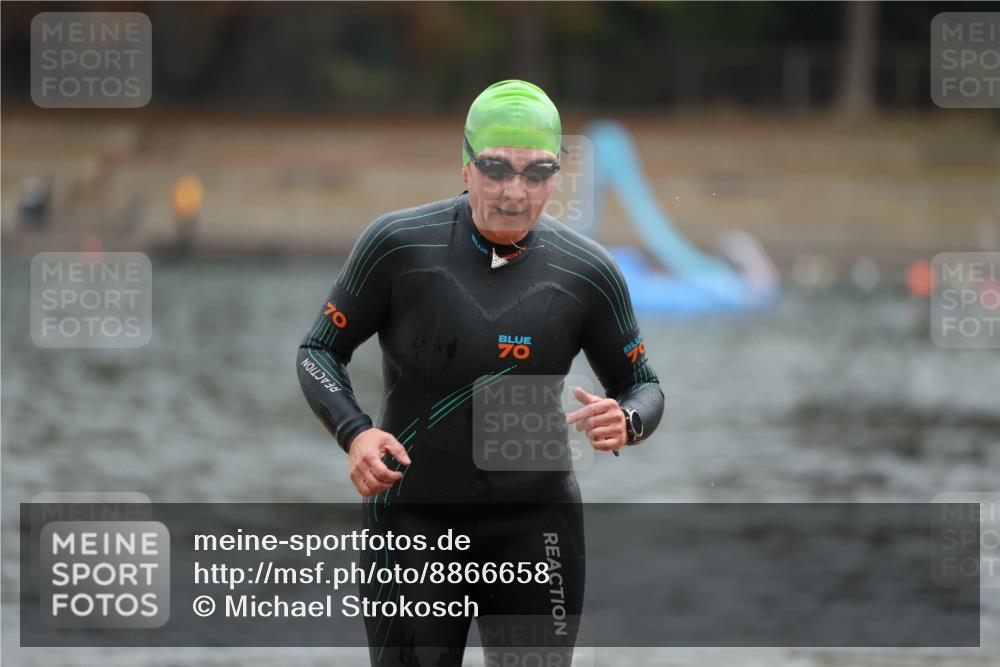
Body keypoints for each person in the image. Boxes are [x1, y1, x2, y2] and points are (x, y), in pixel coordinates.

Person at [297, 79, 664, 667]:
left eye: (536, 172)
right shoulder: (398, 246)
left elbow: (644, 387)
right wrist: (355, 432)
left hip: (537, 527)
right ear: (464, 165)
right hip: (413, 527)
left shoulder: (587, 272)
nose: (514, 192)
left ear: (556, 176)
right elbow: (318, 351)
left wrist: (628, 419)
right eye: (495, 169)